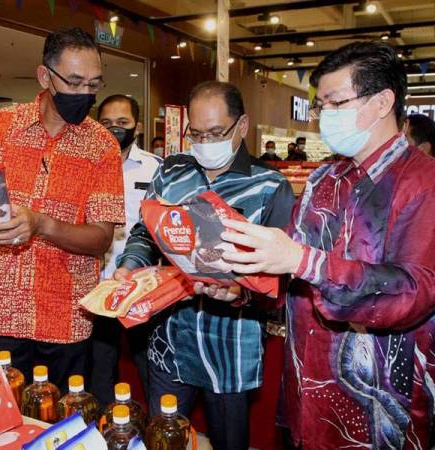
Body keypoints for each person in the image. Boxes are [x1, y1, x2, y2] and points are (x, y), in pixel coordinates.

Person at [214, 41, 435, 449]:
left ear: (383, 101)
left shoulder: (422, 181)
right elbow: (290, 278)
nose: (323, 118)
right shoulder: (323, 181)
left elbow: (413, 291)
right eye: (322, 106)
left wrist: (303, 260)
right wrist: (242, 289)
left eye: (335, 103)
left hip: (381, 405)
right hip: (308, 391)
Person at [0, 27, 125, 390]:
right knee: (1, 421)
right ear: (45, 76)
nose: (85, 94)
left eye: (94, 85)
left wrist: (41, 224)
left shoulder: (102, 147)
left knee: (61, 429)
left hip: (66, 318)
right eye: (75, 82)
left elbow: (100, 239)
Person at [115, 81, 295, 450]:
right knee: (163, 437)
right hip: (169, 338)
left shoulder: (269, 186)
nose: (204, 142)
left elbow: (280, 282)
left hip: (230, 345)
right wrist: (131, 264)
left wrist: (239, 292)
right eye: (195, 133)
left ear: (241, 125)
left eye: (215, 133)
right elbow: (144, 231)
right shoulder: (171, 173)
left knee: (229, 440)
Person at [92, 94, 161, 406]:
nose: (114, 129)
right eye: (106, 123)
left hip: (140, 288)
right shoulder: (84, 167)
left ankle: (156, 429)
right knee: (99, 367)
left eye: (123, 123)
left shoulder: (157, 169)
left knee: (148, 363)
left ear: (138, 126)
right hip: (95, 287)